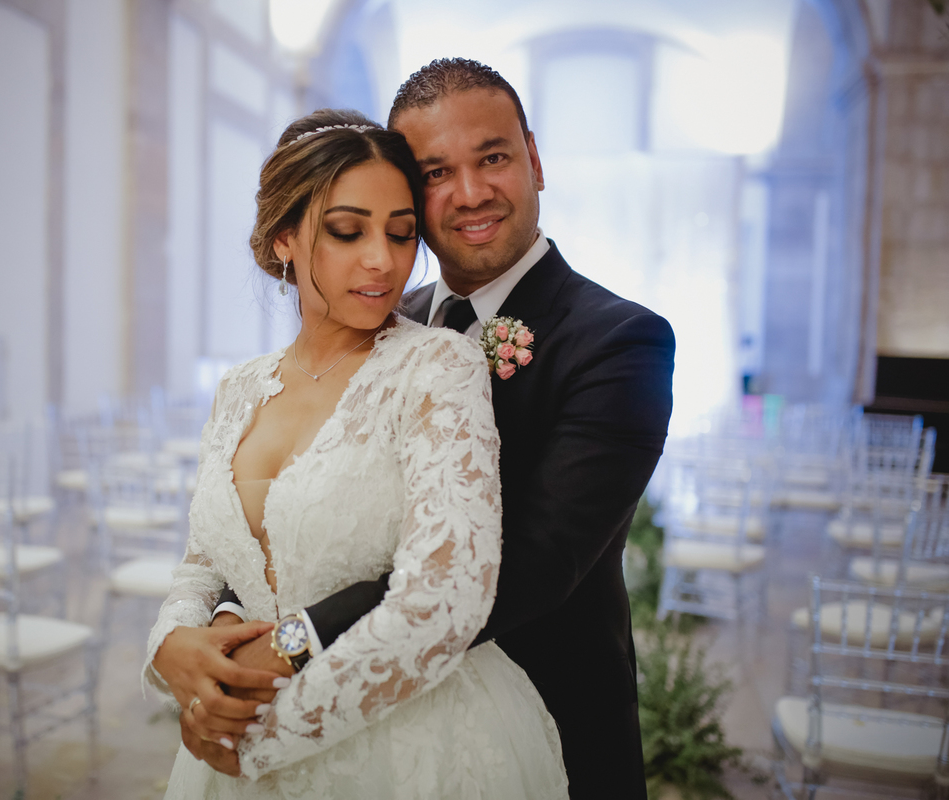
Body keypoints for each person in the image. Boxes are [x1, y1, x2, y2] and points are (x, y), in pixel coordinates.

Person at [157, 59, 676, 798]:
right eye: (435, 173)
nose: (469, 194)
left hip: (525, 724)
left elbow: (523, 567)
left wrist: (290, 644)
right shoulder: (376, 322)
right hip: (327, 710)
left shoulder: (619, 342)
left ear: (533, 158)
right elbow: (278, 529)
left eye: (492, 157)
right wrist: (217, 624)